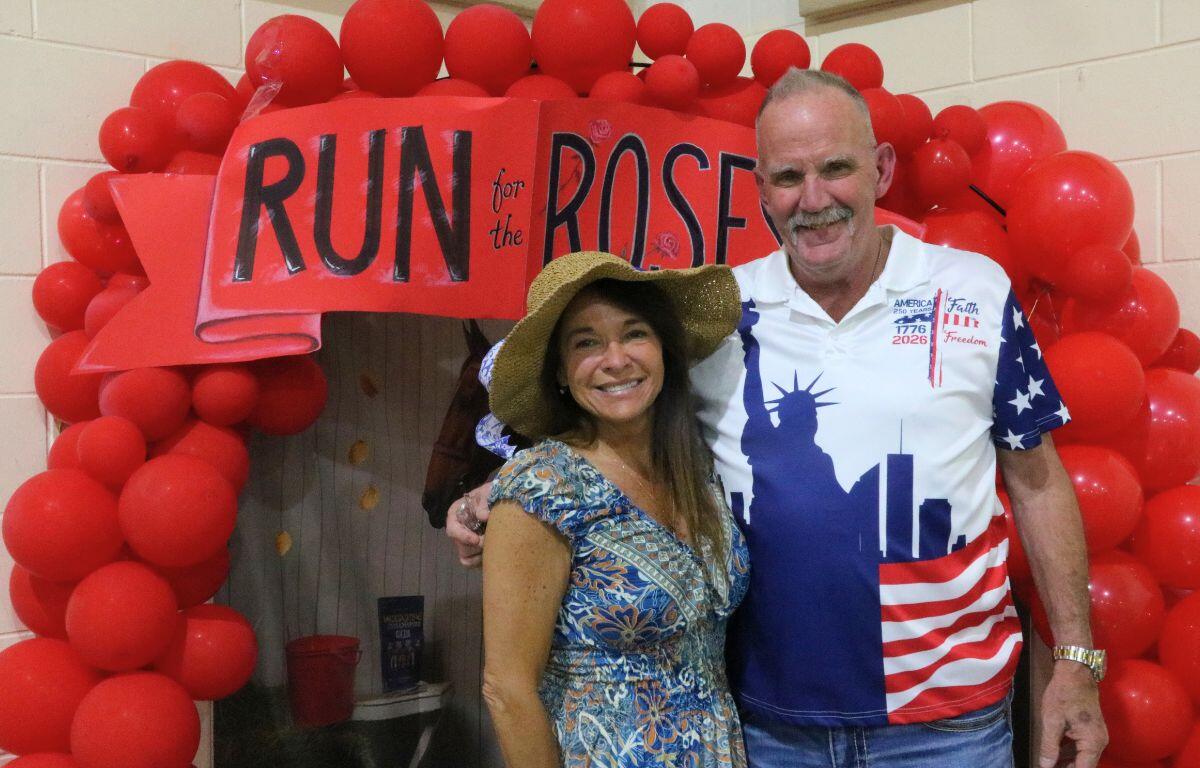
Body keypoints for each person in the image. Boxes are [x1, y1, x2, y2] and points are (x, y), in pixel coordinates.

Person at [454, 69, 1107, 768]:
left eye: (836, 168)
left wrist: (1076, 658)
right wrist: (504, 492)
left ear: (881, 169)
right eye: (789, 177)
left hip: (948, 726)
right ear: (761, 189)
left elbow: (1036, 480)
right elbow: (623, 431)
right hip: (766, 727)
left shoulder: (973, 290)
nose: (814, 199)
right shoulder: (721, 318)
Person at [479, 250, 751, 768]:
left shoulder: (696, 465)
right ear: (560, 371)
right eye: (587, 343)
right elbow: (507, 689)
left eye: (634, 333)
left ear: (663, 348)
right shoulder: (544, 486)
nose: (616, 359)